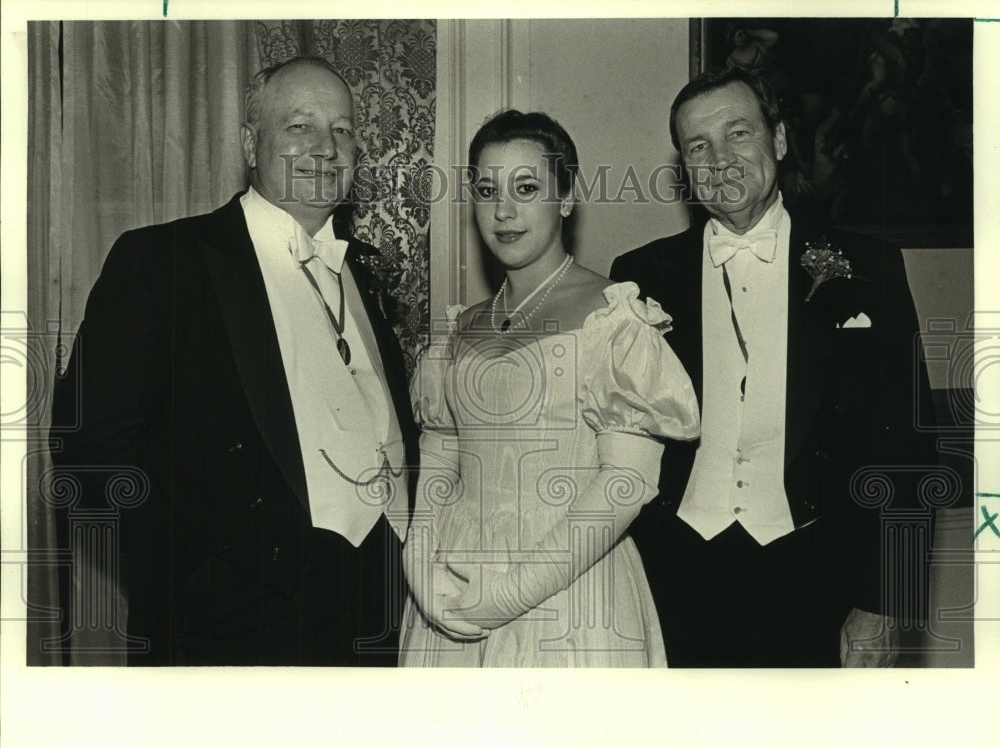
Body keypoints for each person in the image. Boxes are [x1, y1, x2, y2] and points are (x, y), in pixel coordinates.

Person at [50, 56, 418, 666]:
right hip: (233, 629)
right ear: (251, 143)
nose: (326, 147)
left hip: (377, 614)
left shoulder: (363, 276)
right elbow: (87, 450)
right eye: (299, 125)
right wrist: (193, 580)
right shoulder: (165, 260)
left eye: (344, 129)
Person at [611, 67, 938, 667]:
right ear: (684, 168)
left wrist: (888, 598)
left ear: (779, 140)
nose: (721, 159)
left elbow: (909, 446)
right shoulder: (640, 276)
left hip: (820, 582)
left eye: (739, 133)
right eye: (698, 146)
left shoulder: (869, 268)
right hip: (673, 581)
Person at [399, 110, 700, 667]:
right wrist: (417, 557)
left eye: (527, 187)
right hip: (451, 589)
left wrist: (510, 593)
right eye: (487, 190)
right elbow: (440, 457)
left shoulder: (614, 319)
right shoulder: (459, 328)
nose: (503, 211)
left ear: (566, 197)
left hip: (570, 593)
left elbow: (627, 484)